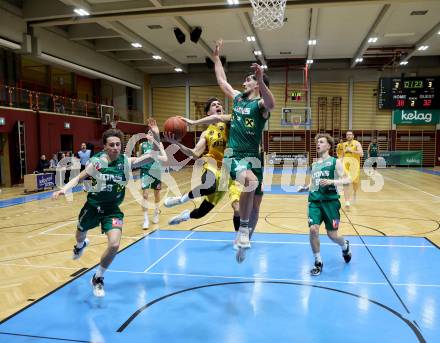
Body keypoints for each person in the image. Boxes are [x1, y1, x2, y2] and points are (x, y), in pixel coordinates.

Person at [181, 39, 275, 257]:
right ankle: (242, 229)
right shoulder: (239, 99)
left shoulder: (260, 105)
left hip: (255, 157)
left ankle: (244, 243)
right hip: (235, 154)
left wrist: (261, 80)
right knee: (249, 182)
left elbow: (271, 104)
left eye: (249, 79)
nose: (244, 81)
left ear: (257, 85)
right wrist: (216, 59)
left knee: (256, 207)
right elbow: (222, 81)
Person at [52, 119, 166, 297]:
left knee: (114, 244)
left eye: (118, 144)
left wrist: (156, 135)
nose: (115, 147)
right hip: (93, 206)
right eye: (111, 144)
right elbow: (79, 178)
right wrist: (64, 189)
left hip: (112, 209)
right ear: (105, 147)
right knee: (80, 233)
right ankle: (80, 245)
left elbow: (153, 155)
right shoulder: (96, 162)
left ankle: (98, 277)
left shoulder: (126, 162)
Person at [163, 97, 240, 230]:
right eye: (214, 105)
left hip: (229, 171)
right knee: (209, 186)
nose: (218, 105)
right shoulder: (206, 133)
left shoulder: (229, 122)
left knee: (206, 212)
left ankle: (185, 216)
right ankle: (181, 199)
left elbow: (222, 119)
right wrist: (176, 143)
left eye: (219, 104)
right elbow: (194, 154)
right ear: (208, 113)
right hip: (212, 165)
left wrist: (193, 122)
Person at [299, 133, 352, 276]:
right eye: (317, 142)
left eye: (321, 142)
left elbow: (348, 180)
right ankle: (318, 261)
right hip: (315, 202)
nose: (318, 144)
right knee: (313, 230)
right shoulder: (314, 164)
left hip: (331, 203)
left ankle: (344, 245)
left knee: (332, 235)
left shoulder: (335, 162)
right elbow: (314, 182)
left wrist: (332, 182)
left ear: (328, 146)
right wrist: (307, 186)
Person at [139, 127, 166, 229]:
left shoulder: (159, 145)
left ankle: (156, 211)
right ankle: (145, 219)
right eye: (149, 133)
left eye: (152, 133)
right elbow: (139, 157)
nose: (151, 134)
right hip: (145, 171)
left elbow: (164, 157)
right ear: (146, 135)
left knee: (157, 195)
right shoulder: (142, 145)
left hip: (156, 171)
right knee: (145, 195)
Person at [342, 131, 363, 209]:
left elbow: (361, 153)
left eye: (350, 134)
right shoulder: (343, 145)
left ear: (353, 136)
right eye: (347, 135)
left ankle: (355, 192)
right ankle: (347, 201)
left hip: (355, 165)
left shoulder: (357, 143)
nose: (348, 136)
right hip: (346, 166)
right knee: (346, 182)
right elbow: (342, 156)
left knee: (355, 182)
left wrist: (352, 150)